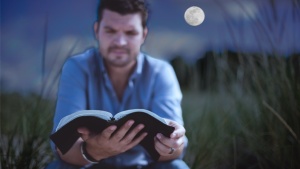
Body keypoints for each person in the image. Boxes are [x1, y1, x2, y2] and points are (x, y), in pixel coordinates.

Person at [46, 0, 189, 168]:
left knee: (177, 167)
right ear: (97, 30)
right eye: (110, 31)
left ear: (143, 35)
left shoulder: (161, 72)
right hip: (89, 165)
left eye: (130, 33)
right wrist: (95, 151)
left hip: (142, 166)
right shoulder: (77, 67)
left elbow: (177, 151)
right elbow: (62, 149)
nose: (120, 42)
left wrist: (172, 145)